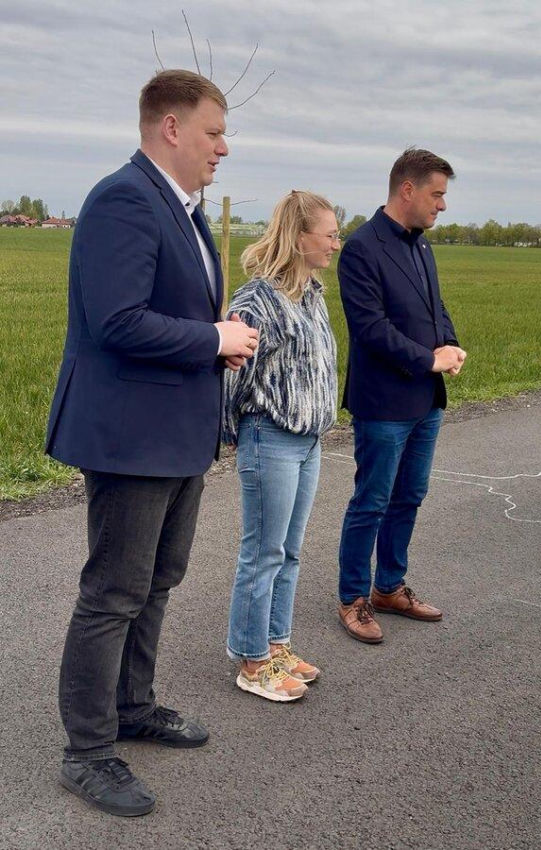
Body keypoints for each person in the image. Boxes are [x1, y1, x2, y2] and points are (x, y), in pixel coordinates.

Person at [45, 69, 259, 816]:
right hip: (131, 438)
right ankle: (87, 751)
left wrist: (214, 347)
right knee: (113, 592)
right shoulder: (124, 199)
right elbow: (117, 321)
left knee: (158, 581)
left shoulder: (187, 211)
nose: (223, 147)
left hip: (175, 434)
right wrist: (211, 336)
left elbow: (162, 318)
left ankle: (132, 707)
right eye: (213, 132)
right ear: (170, 127)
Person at [336, 148, 466, 644]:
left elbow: (435, 307)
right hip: (384, 403)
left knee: (409, 496)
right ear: (406, 190)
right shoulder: (362, 247)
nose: (442, 205)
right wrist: (428, 359)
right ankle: (353, 598)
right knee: (371, 500)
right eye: (437, 194)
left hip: (425, 401)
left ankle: (388, 586)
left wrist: (448, 342)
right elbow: (370, 328)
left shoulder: (422, 245)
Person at [222, 191, 339, 701]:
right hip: (270, 438)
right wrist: (244, 430)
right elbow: (231, 379)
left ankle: (275, 643)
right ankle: (251, 661)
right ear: (299, 237)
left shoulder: (311, 294)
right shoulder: (255, 301)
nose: (337, 242)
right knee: (263, 552)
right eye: (330, 234)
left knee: (289, 552)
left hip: (309, 441)